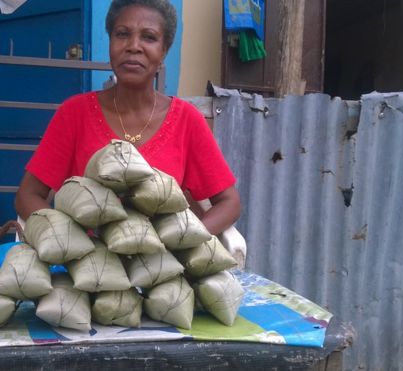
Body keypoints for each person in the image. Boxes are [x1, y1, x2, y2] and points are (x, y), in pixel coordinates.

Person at [15, 0, 240, 235]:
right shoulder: (74, 114)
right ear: (110, 43)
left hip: (162, 265)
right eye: (122, 34)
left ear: (164, 51)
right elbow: (27, 195)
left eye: (149, 37)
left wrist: (185, 240)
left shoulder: (187, 120)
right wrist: (65, 236)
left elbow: (229, 202)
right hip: (86, 265)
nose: (134, 46)